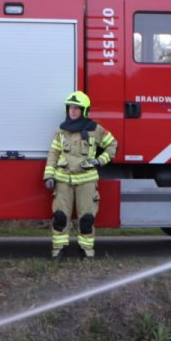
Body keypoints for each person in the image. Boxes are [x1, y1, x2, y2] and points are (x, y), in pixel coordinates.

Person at [43, 91, 118, 260]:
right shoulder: (61, 130)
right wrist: (48, 175)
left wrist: (100, 161)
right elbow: (53, 153)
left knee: (86, 219)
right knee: (60, 217)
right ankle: (58, 251)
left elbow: (112, 145)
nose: (73, 111)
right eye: (71, 108)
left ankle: (87, 252)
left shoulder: (95, 129)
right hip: (63, 180)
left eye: (77, 108)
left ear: (84, 110)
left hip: (87, 182)